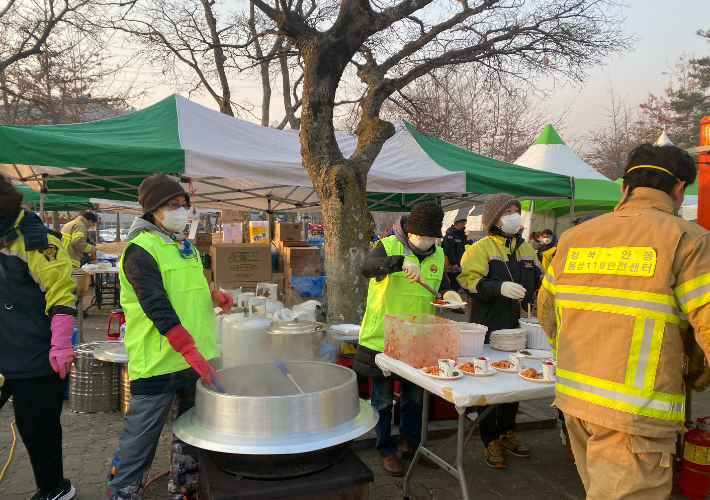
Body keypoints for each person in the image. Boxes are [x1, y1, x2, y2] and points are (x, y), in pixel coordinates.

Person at [538, 143, 710, 499]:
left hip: (576, 401)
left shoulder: (572, 240)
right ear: (679, 189)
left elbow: (547, 315)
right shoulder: (689, 240)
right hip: (636, 414)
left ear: (624, 188)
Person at [106, 174, 233, 500]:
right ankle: (123, 492)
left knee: (191, 431)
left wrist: (211, 296)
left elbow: (184, 293)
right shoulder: (140, 249)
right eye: (173, 206)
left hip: (198, 358)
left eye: (184, 206)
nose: (182, 212)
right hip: (160, 359)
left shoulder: (183, 245)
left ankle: (184, 486)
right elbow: (155, 303)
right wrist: (186, 347)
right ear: (153, 209)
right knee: (140, 437)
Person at [353, 202, 463, 476]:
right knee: (381, 400)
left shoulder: (438, 255)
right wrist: (398, 262)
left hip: (418, 342)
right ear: (410, 232)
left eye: (431, 237)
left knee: (415, 399)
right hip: (382, 340)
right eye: (422, 235)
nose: (427, 241)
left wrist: (449, 296)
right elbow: (366, 268)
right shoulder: (388, 246)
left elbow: (442, 287)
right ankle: (385, 449)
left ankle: (412, 445)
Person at [0, 175, 78, 500]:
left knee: (37, 429)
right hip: (4, 351)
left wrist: (61, 342)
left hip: (36, 355)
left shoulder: (36, 240)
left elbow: (61, 292)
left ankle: (55, 489)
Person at [458, 193, 541, 468]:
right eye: (507, 211)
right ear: (494, 218)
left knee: (515, 381)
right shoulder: (480, 248)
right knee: (488, 381)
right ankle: (489, 437)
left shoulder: (527, 249)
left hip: (519, 328)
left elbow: (540, 279)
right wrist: (498, 288)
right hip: (489, 325)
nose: (514, 216)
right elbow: (467, 281)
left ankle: (507, 432)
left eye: (516, 210)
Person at [442, 215, 468, 314]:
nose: (464, 227)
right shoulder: (451, 235)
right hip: (452, 265)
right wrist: (454, 263)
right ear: (459, 224)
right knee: (455, 285)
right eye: (464, 225)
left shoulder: (458, 234)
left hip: (457, 263)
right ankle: (455, 306)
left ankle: (451, 304)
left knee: (454, 285)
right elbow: (449, 250)